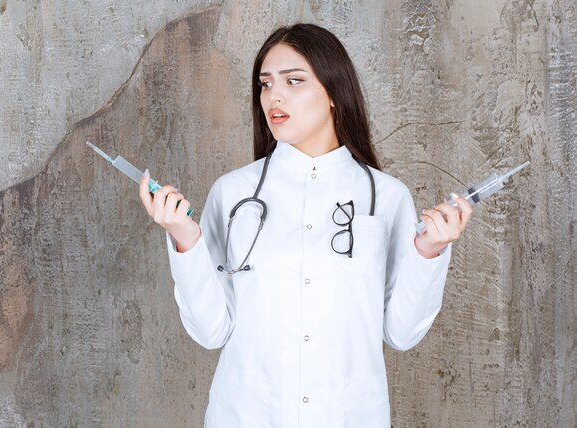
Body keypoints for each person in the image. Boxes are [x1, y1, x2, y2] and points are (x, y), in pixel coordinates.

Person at [139, 23, 472, 428]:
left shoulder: (386, 196)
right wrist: (184, 238)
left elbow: (401, 333)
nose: (274, 96)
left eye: (294, 81)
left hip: (349, 416)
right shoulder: (234, 193)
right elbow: (211, 331)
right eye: (265, 84)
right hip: (246, 414)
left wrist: (429, 252)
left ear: (333, 92)